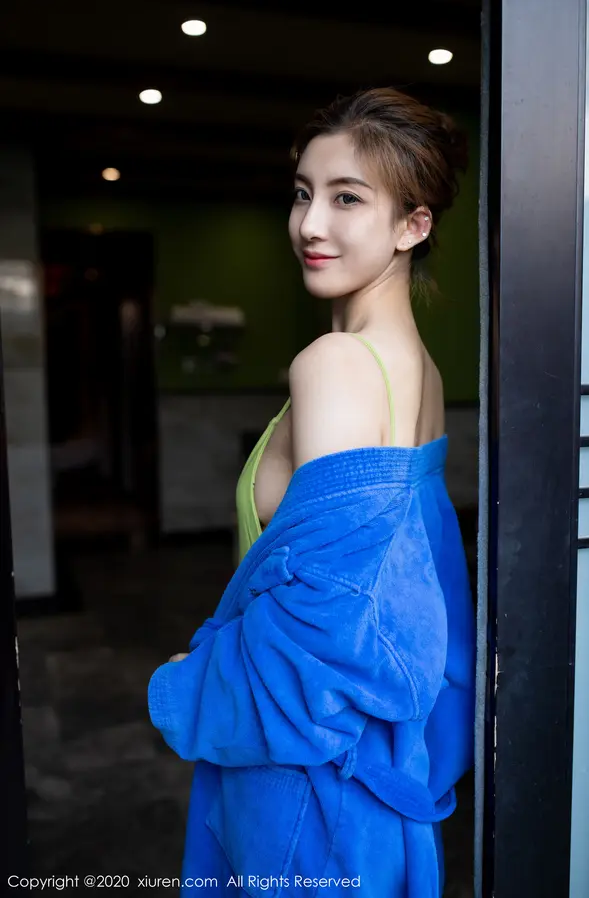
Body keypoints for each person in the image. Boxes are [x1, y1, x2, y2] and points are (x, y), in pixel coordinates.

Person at [149, 87, 476, 898]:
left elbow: (324, 625)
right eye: (303, 194)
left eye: (347, 198)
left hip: (306, 782)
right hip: (364, 766)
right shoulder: (421, 371)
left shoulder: (335, 365)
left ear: (413, 225)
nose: (310, 225)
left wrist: (195, 677)